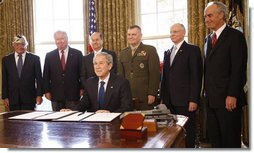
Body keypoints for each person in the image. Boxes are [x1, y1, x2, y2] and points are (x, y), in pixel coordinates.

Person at [204, 1, 247, 148]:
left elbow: (238, 69)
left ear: (221, 15)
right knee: (215, 141)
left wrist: (232, 94)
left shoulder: (235, 36)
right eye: (205, 16)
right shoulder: (207, 39)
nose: (206, 19)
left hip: (228, 100)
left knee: (230, 141)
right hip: (211, 100)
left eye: (209, 15)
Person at [160, 23, 203, 148]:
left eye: (175, 32)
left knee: (188, 130)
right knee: (172, 131)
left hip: (186, 101)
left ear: (183, 33)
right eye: (171, 32)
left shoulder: (192, 50)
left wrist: (193, 99)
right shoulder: (167, 52)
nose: (172, 34)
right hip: (169, 101)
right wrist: (163, 98)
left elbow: (196, 77)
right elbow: (165, 78)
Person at [62, 52, 133, 113]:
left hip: (113, 123)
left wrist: (110, 113)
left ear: (110, 66)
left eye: (101, 63)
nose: (97, 67)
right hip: (93, 124)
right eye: (95, 64)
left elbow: (126, 106)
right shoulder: (90, 82)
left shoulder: (122, 82)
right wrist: (72, 111)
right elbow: (84, 103)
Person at [118, 25, 160, 110]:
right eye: (129, 34)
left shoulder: (150, 50)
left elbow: (154, 74)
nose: (131, 37)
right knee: (128, 121)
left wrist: (152, 93)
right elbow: (120, 76)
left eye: (134, 34)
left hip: (145, 96)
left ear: (140, 35)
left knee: (145, 121)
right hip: (127, 95)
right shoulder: (123, 52)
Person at [43, 30, 83, 111]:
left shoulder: (77, 54)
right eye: (57, 39)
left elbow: (82, 73)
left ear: (67, 39)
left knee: (73, 119)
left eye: (62, 38)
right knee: (57, 121)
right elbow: (46, 75)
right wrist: (46, 91)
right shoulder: (49, 55)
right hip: (56, 95)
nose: (59, 41)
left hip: (73, 94)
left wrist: (82, 88)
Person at [2, 35, 43, 110]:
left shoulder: (35, 59)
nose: (20, 47)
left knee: (29, 121)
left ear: (26, 45)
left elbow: (39, 79)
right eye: (17, 44)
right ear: (13, 45)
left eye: (23, 44)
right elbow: (4, 80)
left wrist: (39, 95)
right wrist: (5, 97)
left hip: (30, 98)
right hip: (12, 98)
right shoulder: (6, 60)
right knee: (13, 121)